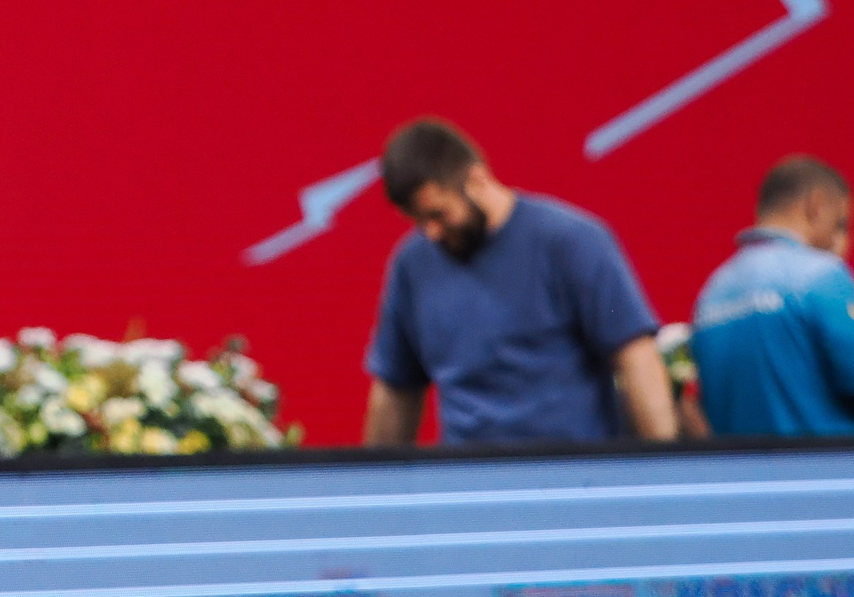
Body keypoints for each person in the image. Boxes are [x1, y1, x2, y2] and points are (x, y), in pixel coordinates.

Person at [361, 118, 676, 445]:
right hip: (467, 481)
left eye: (439, 214)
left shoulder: (572, 241)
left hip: (573, 476)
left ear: (477, 179)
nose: (432, 233)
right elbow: (396, 389)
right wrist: (369, 488)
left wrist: (664, 466)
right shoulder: (412, 265)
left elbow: (635, 355)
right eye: (419, 221)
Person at [690, 155, 854, 436]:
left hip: (740, 476)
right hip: (829, 474)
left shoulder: (711, 294)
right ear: (816, 206)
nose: (845, 244)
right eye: (842, 225)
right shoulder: (822, 275)